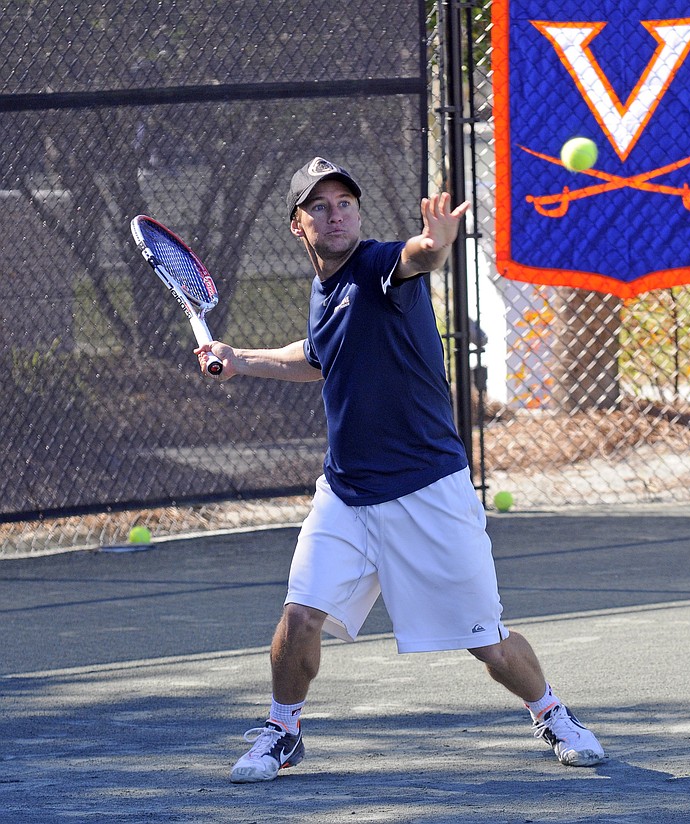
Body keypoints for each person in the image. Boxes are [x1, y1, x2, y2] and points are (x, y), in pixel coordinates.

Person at [195, 157, 605, 783]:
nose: (336, 215)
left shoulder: (379, 266)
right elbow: (316, 355)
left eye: (345, 205)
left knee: (487, 643)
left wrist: (433, 246)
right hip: (347, 493)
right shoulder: (326, 287)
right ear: (296, 225)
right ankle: (283, 730)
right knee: (300, 615)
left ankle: (550, 712)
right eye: (320, 207)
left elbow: (415, 258)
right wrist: (239, 358)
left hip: (427, 490)